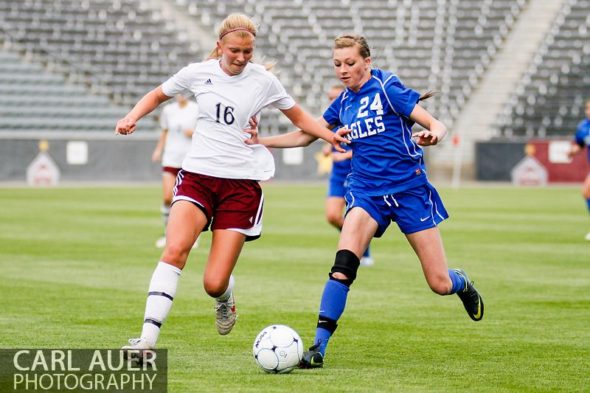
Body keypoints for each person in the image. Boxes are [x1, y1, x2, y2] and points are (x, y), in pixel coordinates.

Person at [114, 13, 348, 358]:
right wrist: (132, 116)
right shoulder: (198, 73)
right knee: (175, 250)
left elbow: (300, 119)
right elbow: (157, 95)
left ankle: (225, 297)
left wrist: (331, 136)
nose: (241, 58)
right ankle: (146, 340)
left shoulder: (263, 81)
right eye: (235, 50)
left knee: (213, 282)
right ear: (220, 46)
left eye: (248, 52)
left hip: (241, 187)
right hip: (198, 177)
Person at [249, 33, 484, 368]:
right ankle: (318, 348)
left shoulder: (388, 87)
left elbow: (435, 123)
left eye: (350, 63)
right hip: (366, 192)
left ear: (367, 62)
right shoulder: (342, 103)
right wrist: (262, 141)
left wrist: (434, 135)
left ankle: (460, 281)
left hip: (408, 191)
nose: (343, 70)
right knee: (343, 267)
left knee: (439, 283)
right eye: (337, 64)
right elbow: (307, 134)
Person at [322, 84, 374, 267]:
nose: (331, 101)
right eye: (329, 98)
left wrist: (344, 155)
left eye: (334, 98)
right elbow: (328, 140)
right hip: (338, 173)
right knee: (332, 216)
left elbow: (367, 146)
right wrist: (328, 148)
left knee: (355, 215)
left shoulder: (355, 116)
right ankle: (361, 243)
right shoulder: (332, 121)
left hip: (356, 172)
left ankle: (362, 251)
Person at [151, 94, 199, 249]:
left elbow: (205, 132)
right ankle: (168, 234)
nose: (180, 95)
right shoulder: (168, 110)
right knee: (167, 198)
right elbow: (165, 131)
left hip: (190, 159)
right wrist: (158, 150)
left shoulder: (196, 109)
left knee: (190, 202)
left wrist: (193, 133)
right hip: (171, 157)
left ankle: (191, 236)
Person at [568, 98, 590, 241]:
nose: (588, 111)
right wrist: (572, 151)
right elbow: (580, 144)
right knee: (587, 192)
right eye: (587, 108)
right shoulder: (583, 126)